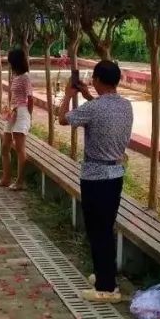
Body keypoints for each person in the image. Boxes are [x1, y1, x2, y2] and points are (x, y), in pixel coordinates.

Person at [57, 59, 133, 304]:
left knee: (97, 231)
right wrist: (88, 95)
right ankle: (105, 275)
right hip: (116, 175)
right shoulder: (125, 106)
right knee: (106, 226)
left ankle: (107, 288)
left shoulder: (95, 108)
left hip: (95, 176)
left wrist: (69, 95)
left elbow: (62, 119)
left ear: (99, 79)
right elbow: (102, 111)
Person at [0, 48, 33, 191]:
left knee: (20, 148)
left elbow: (30, 98)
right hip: (13, 112)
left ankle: (20, 181)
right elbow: (13, 96)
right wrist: (9, 108)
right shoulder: (14, 77)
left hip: (22, 112)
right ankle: (6, 178)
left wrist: (28, 115)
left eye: (10, 62)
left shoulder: (25, 77)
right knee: (5, 146)